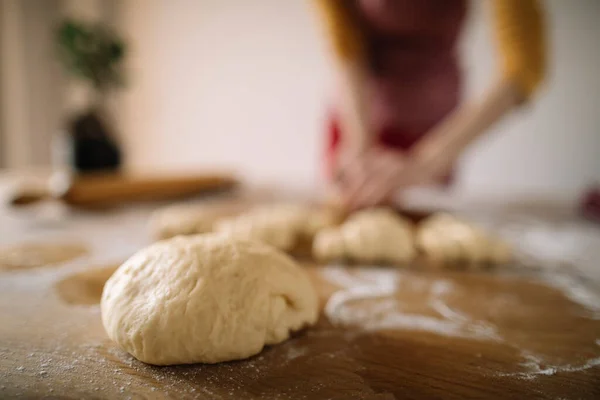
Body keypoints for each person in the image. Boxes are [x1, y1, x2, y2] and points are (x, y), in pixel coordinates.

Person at [313, 0, 546, 209]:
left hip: (436, 133)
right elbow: (343, 41)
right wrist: (358, 144)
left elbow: (523, 66)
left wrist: (424, 164)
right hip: (354, 118)